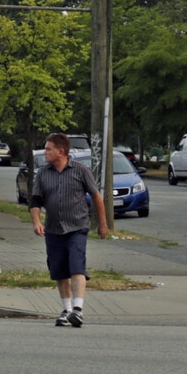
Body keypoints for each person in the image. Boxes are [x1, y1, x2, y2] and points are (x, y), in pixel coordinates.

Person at [28, 131, 111, 327]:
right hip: (54, 229)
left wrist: (102, 223)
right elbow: (36, 201)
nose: (45, 152)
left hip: (77, 226)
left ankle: (78, 310)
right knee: (59, 270)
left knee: (76, 265)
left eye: (48, 149)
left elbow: (96, 197)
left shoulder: (81, 170)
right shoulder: (43, 173)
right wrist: (36, 221)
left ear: (61, 151)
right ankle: (66, 310)